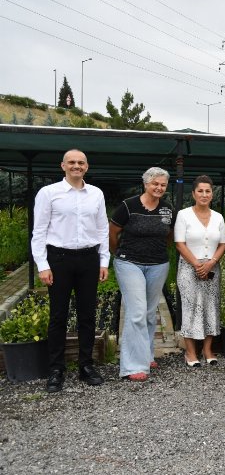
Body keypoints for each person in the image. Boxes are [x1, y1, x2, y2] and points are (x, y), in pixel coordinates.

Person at [31, 149, 109, 393]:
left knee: (87, 315)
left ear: (87, 166)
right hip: (59, 259)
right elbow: (39, 231)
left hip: (88, 259)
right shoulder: (49, 193)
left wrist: (104, 261)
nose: (77, 166)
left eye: (81, 162)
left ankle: (86, 365)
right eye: (72, 162)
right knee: (58, 316)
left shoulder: (96, 194)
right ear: (63, 165)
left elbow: (102, 229)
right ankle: (56, 369)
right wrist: (42, 265)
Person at [110, 167, 173, 382]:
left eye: (163, 185)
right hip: (130, 263)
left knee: (148, 311)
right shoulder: (129, 205)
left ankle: (145, 355)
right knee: (136, 311)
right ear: (146, 183)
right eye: (155, 183)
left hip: (158, 264)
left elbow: (169, 235)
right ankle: (131, 366)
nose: (159, 188)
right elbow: (113, 231)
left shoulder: (167, 208)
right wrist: (117, 254)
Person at [174, 175, 225, 367]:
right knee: (191, 307)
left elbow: (223, 244)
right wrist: (197, 264)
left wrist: (211, 263)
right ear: (193, 193)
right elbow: (179, 243)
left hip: (212, 267)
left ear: (212, 194)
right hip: (189, 267)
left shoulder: (218, 217)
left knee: (211, 306)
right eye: (200, 191)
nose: (204, 195)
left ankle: (207, 349)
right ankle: (190, 352)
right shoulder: (184, 214)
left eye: (208, 191)